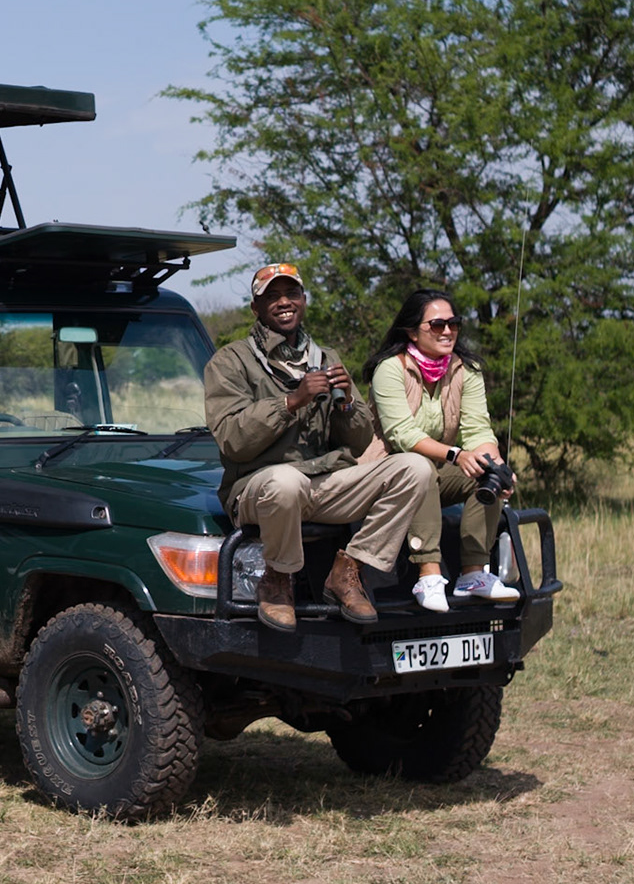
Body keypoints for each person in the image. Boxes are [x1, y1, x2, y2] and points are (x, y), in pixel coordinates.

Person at [204, 263, 435, 629]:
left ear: (304, 301)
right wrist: (290, 402)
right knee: (284, 482)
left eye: (291, 294)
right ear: (256, 307)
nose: (284, 302)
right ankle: (278, 581)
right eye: (272, 296)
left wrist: (346, 406)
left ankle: (349, 570)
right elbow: (232, 440)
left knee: (416, 468)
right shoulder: (230, 361)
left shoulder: (325, 357)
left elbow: (359, 443)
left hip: (323, 482)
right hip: (259, 488)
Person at [364, 289, 520, 613]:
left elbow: (478, 431)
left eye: (454, 323)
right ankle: (429, 575)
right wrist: (456, 455)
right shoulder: (390, 369)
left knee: (488, 471)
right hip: (384, 472)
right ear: (411, 330)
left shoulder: (467, 370)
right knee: (418, 467)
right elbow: (403, 435)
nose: (447, 331)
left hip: (433, 467)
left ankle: (474, 574)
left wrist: (497, 465)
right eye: (436, 325)